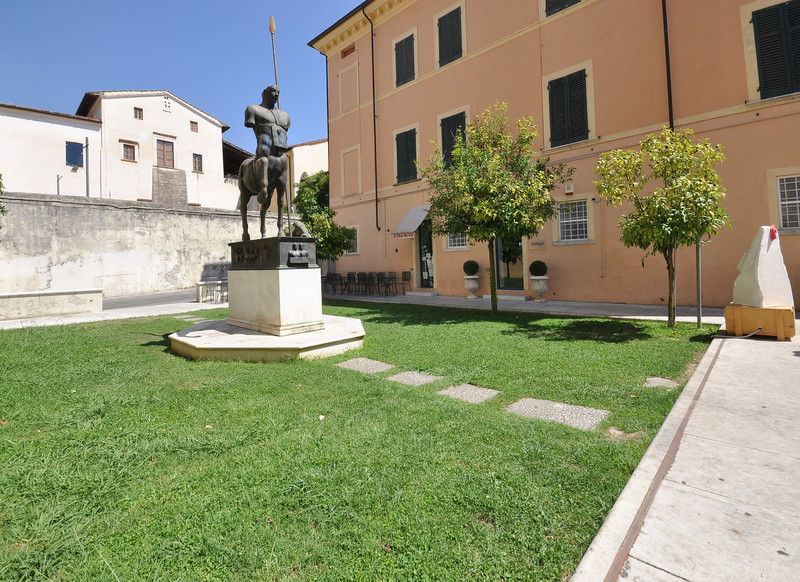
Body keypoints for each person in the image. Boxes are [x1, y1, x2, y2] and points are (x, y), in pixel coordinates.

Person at [244, 85, 291, 160]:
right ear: (264, 93)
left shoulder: (285, 116)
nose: (276, 94)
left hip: (282, 157)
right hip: (264, 152)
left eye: (278, 92)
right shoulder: (253, 109)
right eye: (273, 91)